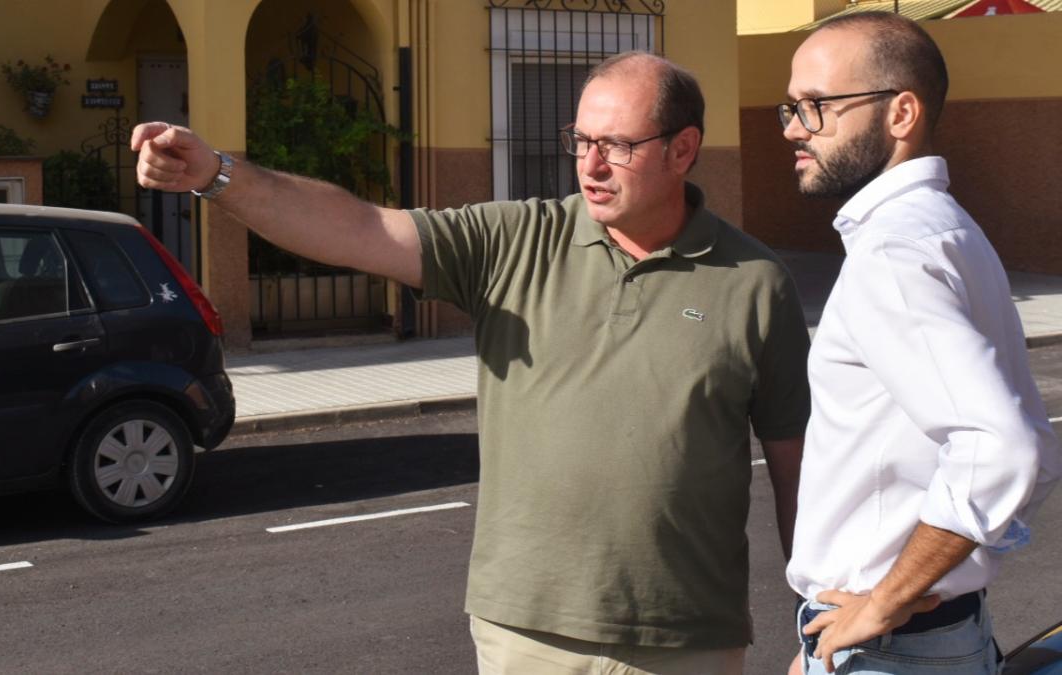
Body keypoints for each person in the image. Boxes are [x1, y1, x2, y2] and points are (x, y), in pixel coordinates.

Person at [135, 51, 811, 674]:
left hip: (687, 640)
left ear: (684, 149)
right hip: (526, 635)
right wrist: (218, 175)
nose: (591, 164)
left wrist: (821, 611)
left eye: (618, 146)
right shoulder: (512, 241)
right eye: (580, 140)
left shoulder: (753, 281)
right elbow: (359, 227)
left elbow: (798, 466)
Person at [777, 11, 1062, 675]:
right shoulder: (947, 229)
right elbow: (1033, 449)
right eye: (792, 106)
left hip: (893, 650)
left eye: (817, 106)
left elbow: (1004, 448)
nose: (793, 125)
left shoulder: (895, 251)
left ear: (901, 113)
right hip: (919, 637)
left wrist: (881, 605)